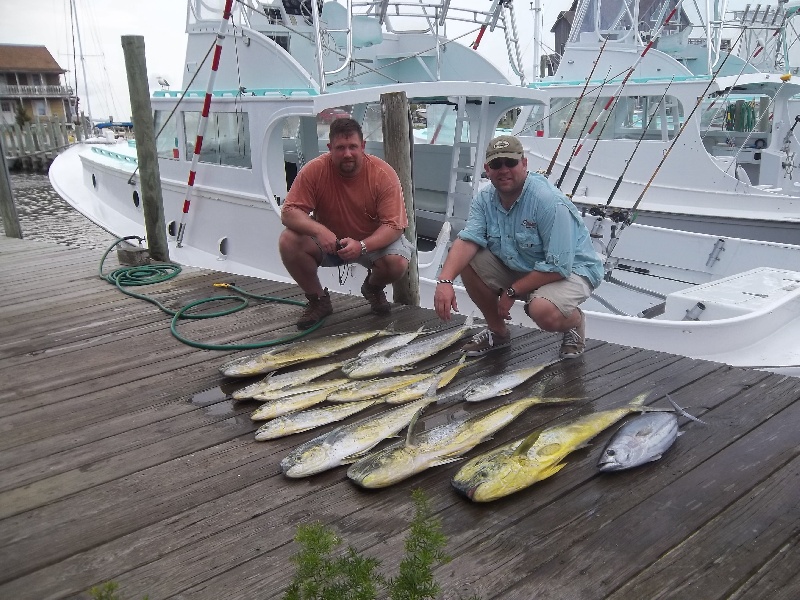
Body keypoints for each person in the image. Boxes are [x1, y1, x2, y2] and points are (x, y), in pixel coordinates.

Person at [433, 134, 603, 358]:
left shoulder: (548, 200)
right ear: (487, 168)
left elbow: (558, 266)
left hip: (571, 270)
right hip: (526, 265)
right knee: (468, 260)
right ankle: (498, 333)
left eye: (510, 162)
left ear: (524, 164)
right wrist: (444, 281)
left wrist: (513, 291)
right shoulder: (484, 199)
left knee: (542, 311)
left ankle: (574, 322)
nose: (503, 169)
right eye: (496, 164)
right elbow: (468, 240)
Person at [279, 118, 412, 329]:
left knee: (398, 262)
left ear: (363, 147)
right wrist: (320, 230)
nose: (347, 153)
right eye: (340, 148)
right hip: (332, 243)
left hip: (371, 244)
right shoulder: (314, 170)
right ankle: (318, 301)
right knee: (288, 241)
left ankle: (373, 288)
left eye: (353, 147)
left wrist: (362, 246)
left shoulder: (383, 174)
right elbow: (288, 212)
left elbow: (395, 226)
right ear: (330, 148)